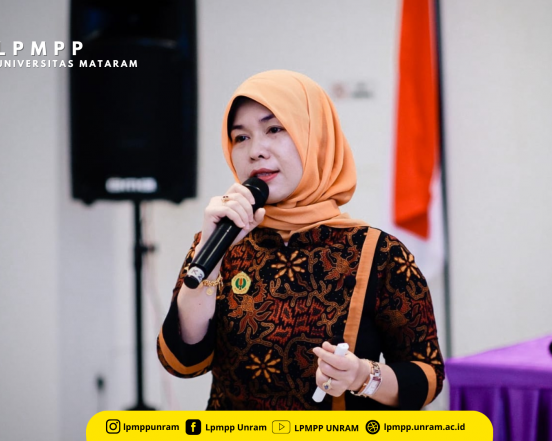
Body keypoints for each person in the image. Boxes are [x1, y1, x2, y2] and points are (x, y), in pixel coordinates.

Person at [157, 70, 444, 410]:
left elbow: (427, 376)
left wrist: (362, 377)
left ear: (315, 138)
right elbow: (182, 362)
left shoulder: (377, 252)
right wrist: (211, 259)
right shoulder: (221, 238)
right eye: (241, 137)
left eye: (274, 129)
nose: (255, 151)